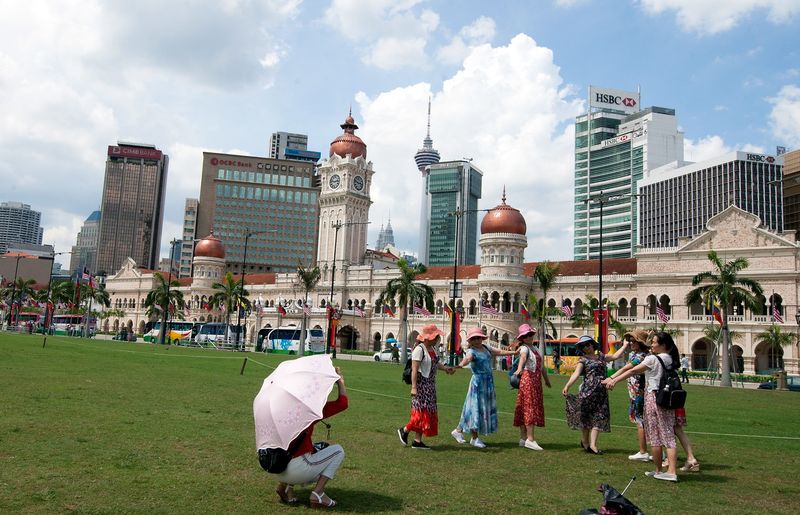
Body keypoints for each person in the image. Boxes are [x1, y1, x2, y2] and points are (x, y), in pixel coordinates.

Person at [264, 367, 349, 508]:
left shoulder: (273, 408)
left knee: (310, 447)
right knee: (337, 451)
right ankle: (318, 493)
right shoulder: (309, 410)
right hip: (296, 469)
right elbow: (342, 403)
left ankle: (284, 488)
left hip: (275, 467)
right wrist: (340, 382)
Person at [603, 332, 681, 482]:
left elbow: (633, 370)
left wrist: (614, 380)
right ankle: (659, 470)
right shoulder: (671, 359)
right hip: (666, 397)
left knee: (659, 436)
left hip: (654, 397)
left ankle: (671, 471)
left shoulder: (653, 359)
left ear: (663, 345)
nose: (651, 345)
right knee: (662, 434)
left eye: (654, 343)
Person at [450, 327, 517, 448]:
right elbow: (467, 360)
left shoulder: (486, 348)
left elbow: (499, 352)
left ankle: (458, 430)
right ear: (470, 341)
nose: (477, 340)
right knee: (475, 409)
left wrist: (513, 352)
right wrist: (460, 365)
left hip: (488, 383)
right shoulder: (471, 351)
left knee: (471, 409)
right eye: (474, 338)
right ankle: (474, 438)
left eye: (479, 337)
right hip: (478, 383)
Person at [562, 335, 626, 455]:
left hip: (601, 391)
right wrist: (567, 385)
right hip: (587, 392)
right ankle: (585, 441)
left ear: (592, 344)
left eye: (588, 344)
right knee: (586, 418)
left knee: (600, 416)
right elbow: (576, 374)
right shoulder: (583, 360)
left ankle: (593, 445)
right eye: (584, 346)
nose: (587, 347)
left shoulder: (601, 356)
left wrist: (625, 345)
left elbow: (616, 356)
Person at [397, 324, 454, 450]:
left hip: (430, 385)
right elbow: (414, 369)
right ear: (428, 338)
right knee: (421, 413)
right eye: (436, 336)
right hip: (421, 385)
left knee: (427, 413)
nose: (437, 338)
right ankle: (404, 430)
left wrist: (445, 369)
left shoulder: (432, 349)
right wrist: (414, 387)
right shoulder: (419, 349)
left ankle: (417, 441)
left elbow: (435, 363)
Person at [606, 329, 651, 462]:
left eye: (633, 341)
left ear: (640, 343)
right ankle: (656, 450)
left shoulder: (641, 356)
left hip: (640, 393)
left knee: (640, 421)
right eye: (629, 341)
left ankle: (643, 451)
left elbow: (627, 369)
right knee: (643, 421)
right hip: (635, 392)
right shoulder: (635, 354)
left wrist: (612, 378)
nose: (630, 343)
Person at [512, 324, 551, 450]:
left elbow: (542, 367)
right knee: (529, 409)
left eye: (530, 335)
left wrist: (546, 380)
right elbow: (522, 358)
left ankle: (523, 438)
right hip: (528, 381)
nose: (529, 337)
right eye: (526, 336)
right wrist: (519, 369)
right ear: (522, 338)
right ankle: (530, 439)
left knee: (525, 408)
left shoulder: (534, 348)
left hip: (535, 382)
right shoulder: (524, 348)